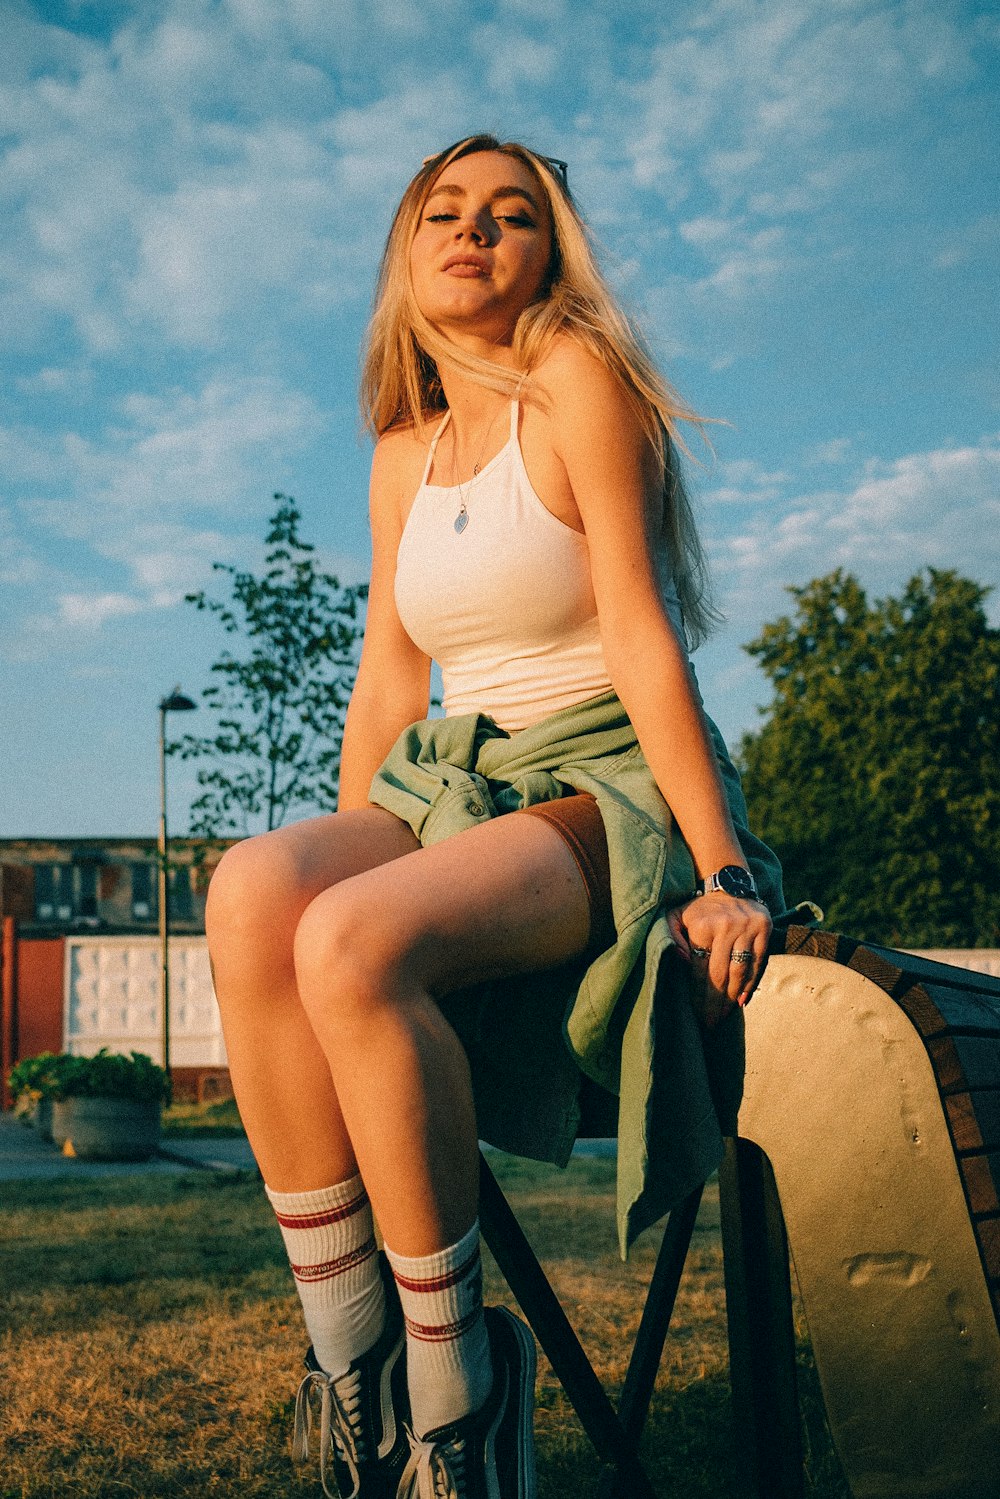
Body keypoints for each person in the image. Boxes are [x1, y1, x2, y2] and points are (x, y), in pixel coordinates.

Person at [205, 135, 783, 1499]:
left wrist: (725, 866)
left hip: (602, 781)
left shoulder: (577, 383)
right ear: (407, 259)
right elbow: (389, 678)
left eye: (512, 217)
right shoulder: (404, 452)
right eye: (445, 213)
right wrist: (323, 886)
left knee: (352, 944)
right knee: (252, 895)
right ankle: (357, 1382)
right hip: (454, 790)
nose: (475, 232)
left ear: (549, 255)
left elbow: (644, 638)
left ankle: (460, 1404)